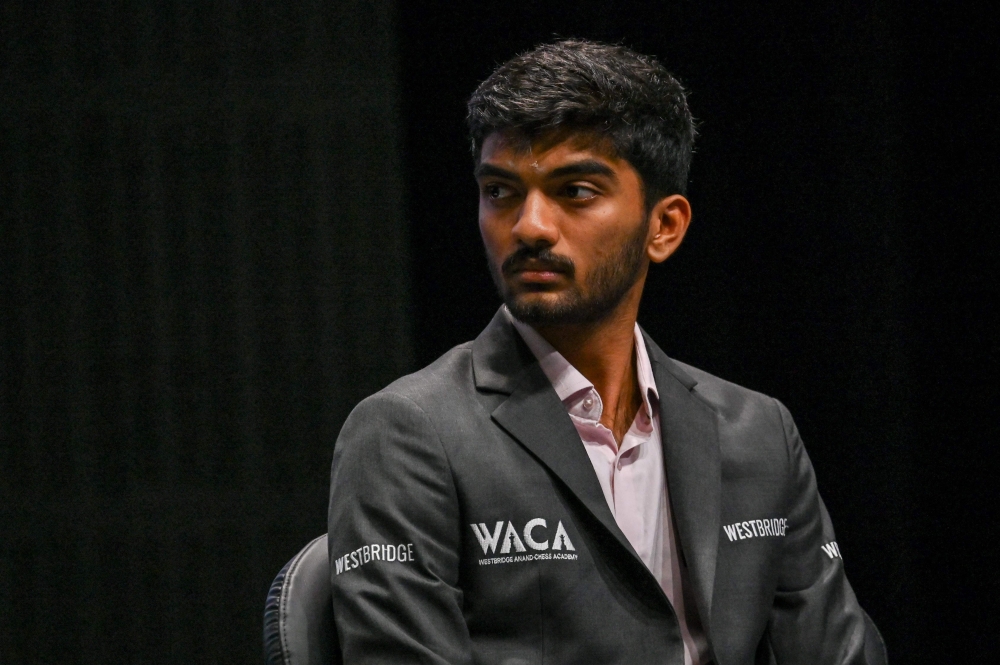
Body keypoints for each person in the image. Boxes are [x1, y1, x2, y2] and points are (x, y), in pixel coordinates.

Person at [329, 39, 878, 664]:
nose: (530, 226)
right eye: (501, 191)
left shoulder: (756, 432)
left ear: (664, 227)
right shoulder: (408, 433)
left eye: (576, 191)